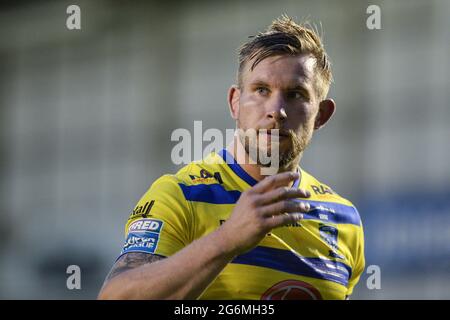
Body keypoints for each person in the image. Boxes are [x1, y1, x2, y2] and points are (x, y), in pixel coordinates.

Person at [98, 15, 365, 300]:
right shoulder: (181, 196)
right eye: (261, 90)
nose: (277, 110)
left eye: (295, 94)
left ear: (321, 115)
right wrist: (227, 240)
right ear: (235, 103)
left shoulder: (344, 219)